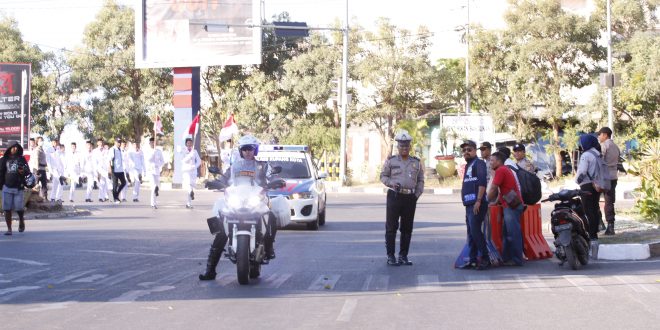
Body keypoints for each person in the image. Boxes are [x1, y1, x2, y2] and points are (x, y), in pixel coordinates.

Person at [199, 135, 280, 280]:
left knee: (272, 216)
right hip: (238, 201)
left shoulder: (263, 166)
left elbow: (271, 177)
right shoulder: (234, 167)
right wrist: (214, 182)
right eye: (245, 149)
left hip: (256, 200)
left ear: (255, 150)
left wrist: (276, 181)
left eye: (251, 149)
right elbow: (224, 179)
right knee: (221, 229)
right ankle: (210, 270)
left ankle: (269, 247)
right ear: (241, 151)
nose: (248, 152)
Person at [379, 130, 425, 266]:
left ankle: (403, 256)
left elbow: (421, 179)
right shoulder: (391, 161)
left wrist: (417, 194)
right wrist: (391, 183)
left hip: (410, 197)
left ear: (410, 147)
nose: (404, 148)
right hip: (395, 196)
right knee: (391, 227)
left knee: (407, 228)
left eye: (406, 146)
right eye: (401, 146)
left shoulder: (416, 162)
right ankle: (391, 256)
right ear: (397, 147)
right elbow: (383, 176)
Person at [487, 151, 524, 266]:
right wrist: (496, 202)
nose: (490, 163)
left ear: (498, 161)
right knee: (507, 233)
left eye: (492, 160)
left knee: (513, 233)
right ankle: (507, 258)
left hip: (511, 206)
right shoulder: (504, 169)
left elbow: (493, 189)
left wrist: (484, 201)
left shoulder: (501, 170)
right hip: (510, 205)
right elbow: (503, 190)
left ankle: (517, 260)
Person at [460, 140, 490, 270]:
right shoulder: (468, 165)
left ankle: (485, 258)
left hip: (477, 203)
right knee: (471, 233)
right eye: (464, 150)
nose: (466, 152)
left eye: (469, 149)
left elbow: (482, 183)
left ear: (475, 151)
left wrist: (478, 200)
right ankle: (472, 260)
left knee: (476, 231)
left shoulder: (479, 163)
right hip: (469, 204)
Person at [576, 134, 604, 244]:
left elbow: (583, 171)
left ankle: (591, 233)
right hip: (596, 184)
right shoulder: (597, 154)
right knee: (594, 208)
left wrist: (577, 181)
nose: (581, 144)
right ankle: (595, 232)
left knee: (587, 210)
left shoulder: (586, 155)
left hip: (587, 184)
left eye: (582, 142)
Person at [0, 141, 32, 235]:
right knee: (7, 209)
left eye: (17, 147)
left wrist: (23, 171)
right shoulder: (3, 159)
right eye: (13, 147)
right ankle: (9, 229)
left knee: (19, 208)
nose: (15, 149)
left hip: (19, 187)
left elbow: (28, 171)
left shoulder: (21, 159)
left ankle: (21, 220)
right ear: (9, 148)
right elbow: (1, 173)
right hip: (6, 187)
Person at [598, 127, 620, 235]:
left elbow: (599, 161)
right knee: (609, 201)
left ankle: (600, 223)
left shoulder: (604, 146)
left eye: (600, 135)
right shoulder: (616, 146)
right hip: (613, 177)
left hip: (604, 177)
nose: (599, 137)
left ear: (605, 135)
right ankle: (611, 225)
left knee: (593, 200)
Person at [181, 137, 201, 208]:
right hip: (186, 171)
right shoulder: (183, 151)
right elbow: (183, 161)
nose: (189, 144)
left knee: (191, 186)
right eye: (188, 143)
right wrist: (190, 156)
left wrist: (195, 166)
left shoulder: (194, 151)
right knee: (189, 184)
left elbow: (199, 161)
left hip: (193, 171)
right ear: (186, 144)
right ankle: (189, 202)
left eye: (191, 143)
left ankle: (188, 203)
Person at [145, 137, 164, 209]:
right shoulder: (147, 151)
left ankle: (154, 203)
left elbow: (162, 161)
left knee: (157, 187)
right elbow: (148, 159)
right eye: (152, 142)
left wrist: (160, 166)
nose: (153, 144)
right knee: (153, 187)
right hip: (150, 171)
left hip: (157, 170)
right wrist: (153, 153)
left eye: (154, 142)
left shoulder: (159, 151)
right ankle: (153, 204)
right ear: (150, 143)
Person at [109, 138, 127, 204]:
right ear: (115, 142)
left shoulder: (120, 150)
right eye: (117, 142)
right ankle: (115, 198)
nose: (119, 144)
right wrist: (109, 168)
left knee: (124, 183)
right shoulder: (112, 149)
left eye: (119, 142)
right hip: (114, 169)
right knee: (115, 184)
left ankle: (116, 194)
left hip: (120, 169)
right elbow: (109, 159)